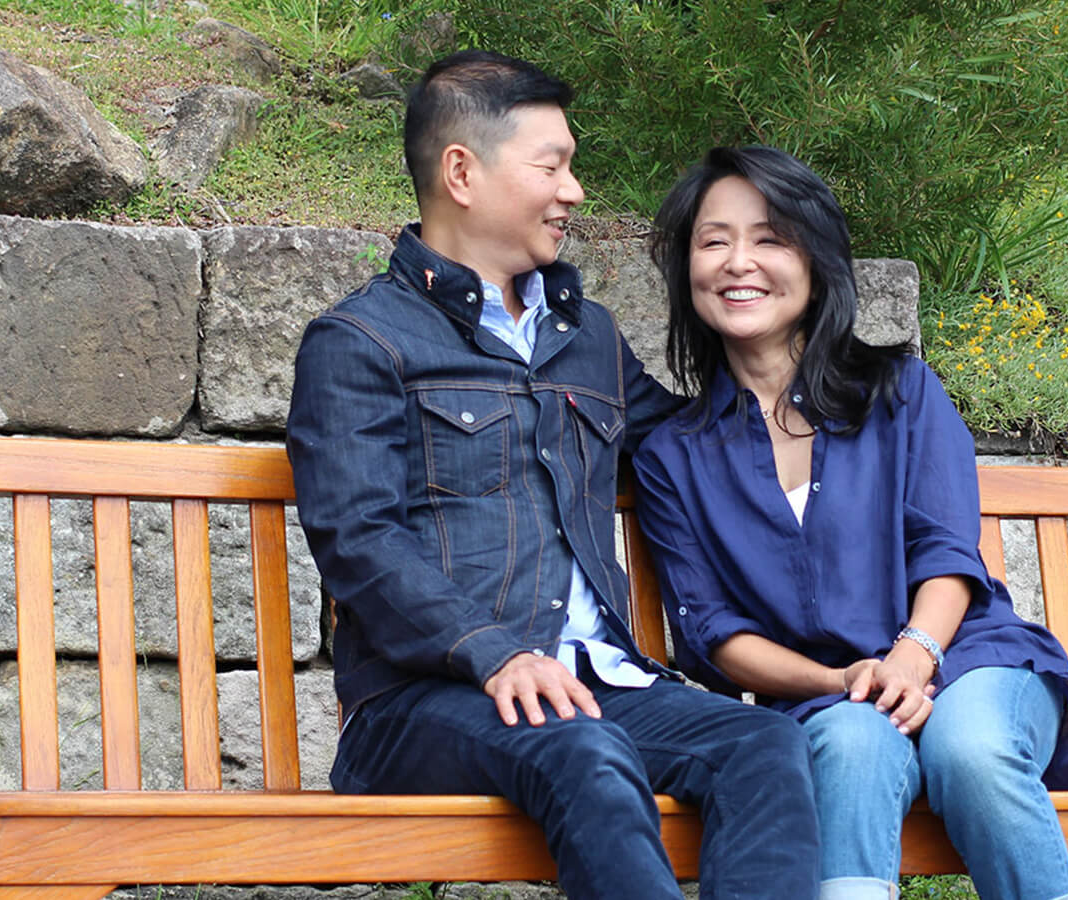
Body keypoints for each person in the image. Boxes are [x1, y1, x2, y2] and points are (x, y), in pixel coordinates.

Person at [286, 54, 820, 900]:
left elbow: (696, 445)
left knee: (760, 744)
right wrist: (496, 655)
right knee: (581, 742)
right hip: (422, 705)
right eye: (553, 165)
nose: (573, 190)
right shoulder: (361, 342)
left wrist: (792, 345)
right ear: (462, 171)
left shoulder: (588, 338)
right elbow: (360, 541)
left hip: (596, 687)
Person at [633, 145, 1068, 900]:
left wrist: (911, 659)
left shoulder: (899, 392)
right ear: (687, 272)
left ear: (816, 264)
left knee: (972, 750)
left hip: (967, 659)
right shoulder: (671, 455)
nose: (737, 262)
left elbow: (948, 553)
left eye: (770, 239)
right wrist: (843, 678)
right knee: (850, 746)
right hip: (830, 694)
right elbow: (711, 631)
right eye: (713, 240)